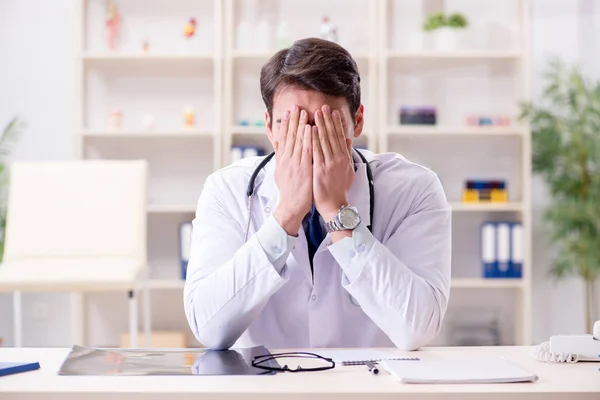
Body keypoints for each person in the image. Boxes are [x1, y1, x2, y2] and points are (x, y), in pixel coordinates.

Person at [183, 38, 451, 351]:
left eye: (325, 125)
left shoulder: (414, 189)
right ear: (269, 126)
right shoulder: (226, 190)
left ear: (357, 121)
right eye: (291, 124)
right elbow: (208, 328)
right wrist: (286, 215)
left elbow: (417, 329)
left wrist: (338, 212)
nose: (308, 139)